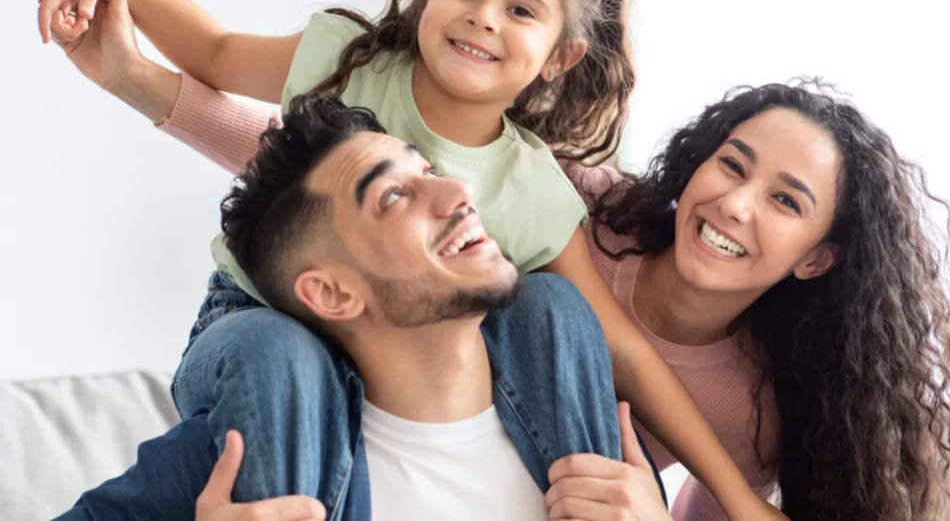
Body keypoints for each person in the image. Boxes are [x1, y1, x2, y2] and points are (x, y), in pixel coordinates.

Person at [40, 0, 782, 520]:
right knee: (281, 353)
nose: (483, 16)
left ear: (562, 55)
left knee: (555, 309)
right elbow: (215, 54)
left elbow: (619, 345)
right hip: (254, 317)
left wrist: (741, 499)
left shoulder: (534, 193)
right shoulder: (350, 61)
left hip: (416, 366)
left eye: (520, 9)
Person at [60, 90, 670, 521]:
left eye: (427, 170)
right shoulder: (252, 452)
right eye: (394, 196)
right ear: (331, 292)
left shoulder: (584, 425)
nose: (458, 191)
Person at [570, 82, 950, 520]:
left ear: (815, 260)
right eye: (733, 165)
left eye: (785, 201)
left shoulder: (756, 414)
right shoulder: (578, 201)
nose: (735, 205)